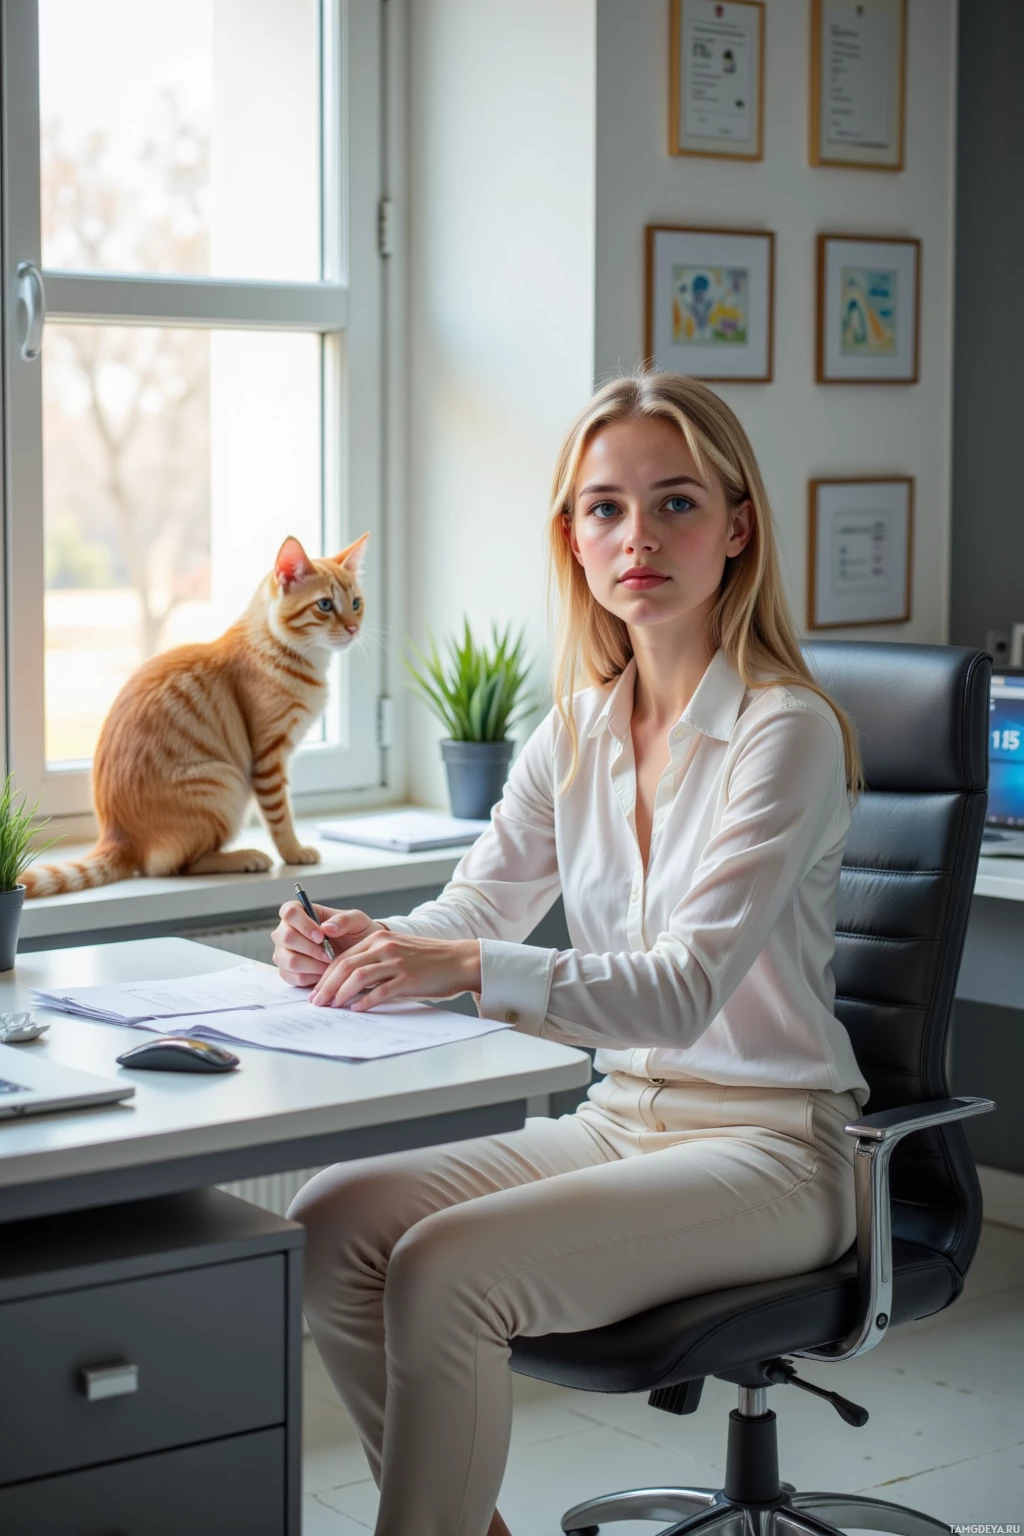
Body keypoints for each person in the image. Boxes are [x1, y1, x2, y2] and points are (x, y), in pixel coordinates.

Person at [271, 371, 871, 1536]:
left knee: (447, 1271)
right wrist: (371, 943)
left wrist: (461, 968)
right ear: (572, 539)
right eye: (603, 508)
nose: (636, 535)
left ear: (737, 528)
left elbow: (684, 991)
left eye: (676, 503)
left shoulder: (782, 730)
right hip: (622, 1121)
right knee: (331, 1221)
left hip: (776, 1149)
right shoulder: (577, 728)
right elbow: (475, 906)